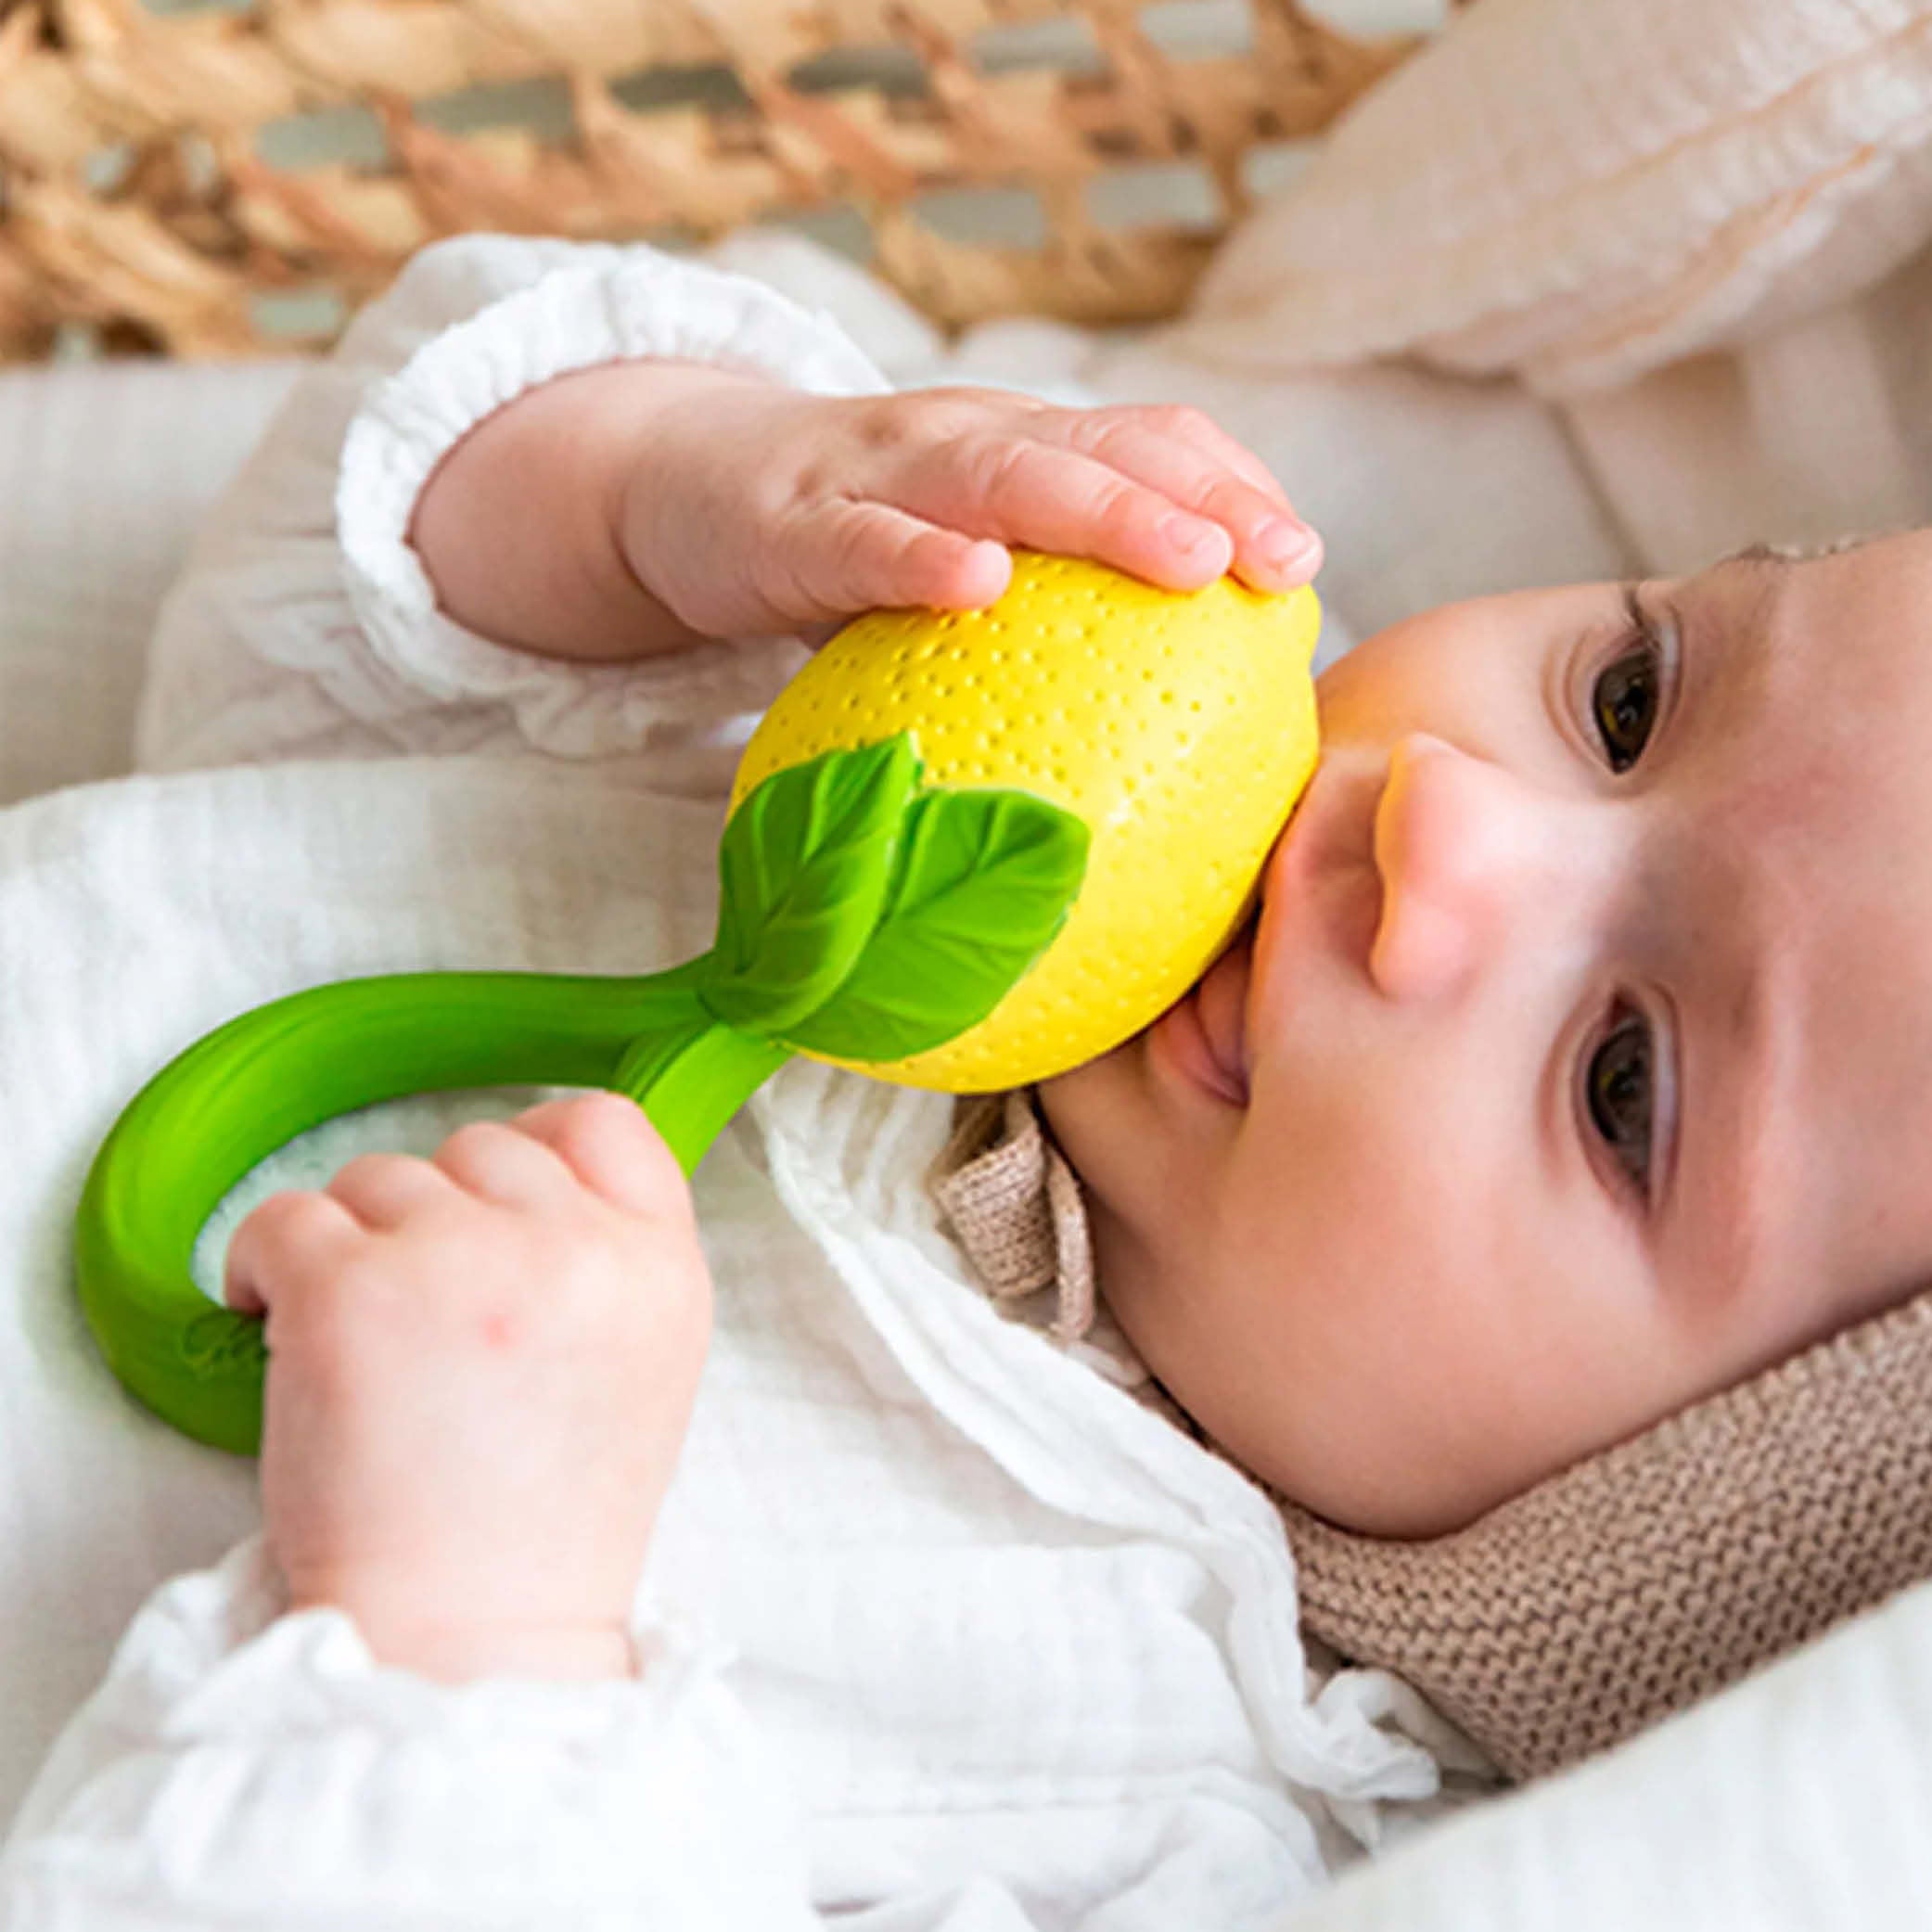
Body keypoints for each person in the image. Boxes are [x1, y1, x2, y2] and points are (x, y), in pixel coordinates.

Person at [6, 230, 1932, 1926]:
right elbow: (263, 666)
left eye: (1621, 1086)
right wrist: (667, 495)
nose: (1442, 830)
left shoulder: (1158, 1806)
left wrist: (467, 1634)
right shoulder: (951, 747)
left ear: (1661, 1544)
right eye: (1628, 699)